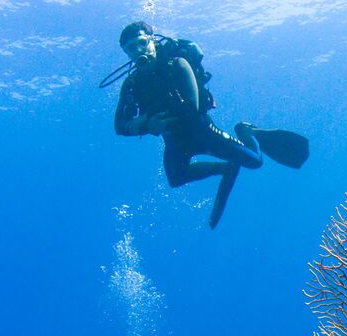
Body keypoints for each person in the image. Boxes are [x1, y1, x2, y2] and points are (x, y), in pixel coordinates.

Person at [108, 21, 309, 228]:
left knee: (256, 162)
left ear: (152, 40)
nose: (138, 51)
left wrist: (146, 121)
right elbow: (119, 126)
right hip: (175, 142)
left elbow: (192, 109)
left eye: (142, 43)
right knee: (176, 179)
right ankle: (226, 168)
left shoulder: (177, 64)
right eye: (131, 48)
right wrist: (147, 125)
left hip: (204, 133)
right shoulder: (131, 84)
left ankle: (246, 131)